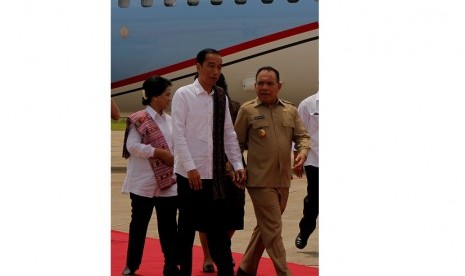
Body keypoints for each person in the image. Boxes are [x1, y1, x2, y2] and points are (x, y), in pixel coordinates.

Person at [171, 48, 247, 276]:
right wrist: (190, 167)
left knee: (218, 229)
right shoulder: (183, 95)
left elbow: (229, 136)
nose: (215, 71)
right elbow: (178, 135)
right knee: (186, 229)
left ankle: (225, 271)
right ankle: (183, 271)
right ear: (198, 67)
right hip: (189, 176)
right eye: (211, 66)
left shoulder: (220, 97)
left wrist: (238, 165)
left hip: (214, 176)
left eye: (219, 67)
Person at [234, 66, 311, 276]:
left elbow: (302, 137)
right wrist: (235, 168)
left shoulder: (290, 110)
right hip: (259, 180)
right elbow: (235, 144)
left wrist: (302, 153)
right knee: (274, 229)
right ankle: (284, 272)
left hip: (284, 180)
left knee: (266, 227)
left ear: (279, 86)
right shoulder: (247, 110)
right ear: (255, 86)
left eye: (269, 83)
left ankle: (246, 268)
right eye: (260, 83)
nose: (264, 87)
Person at [121, 76, 179, 276]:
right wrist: (158, 152)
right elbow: (132, 147)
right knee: (138, 226)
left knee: (169, 228)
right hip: (143, 183)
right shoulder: (139, 119)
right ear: (155, 97)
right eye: (167, 95)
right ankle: (132, 265)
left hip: (168, 183)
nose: (169, 99)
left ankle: (171, 265)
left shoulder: (171, 121)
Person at [197, 73, 245, 273]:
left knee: (234, 213)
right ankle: (209, 256)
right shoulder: (196, 107)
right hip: (207, 167)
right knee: (206, 216)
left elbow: (241, 137)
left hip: (233, 168)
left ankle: (221, 250)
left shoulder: (235, 107)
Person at [293, 92, 319, 249]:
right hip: (316, 161)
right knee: (314, 200)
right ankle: (305, 230)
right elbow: (299, 133)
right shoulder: (308, 104)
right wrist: (297, 159)